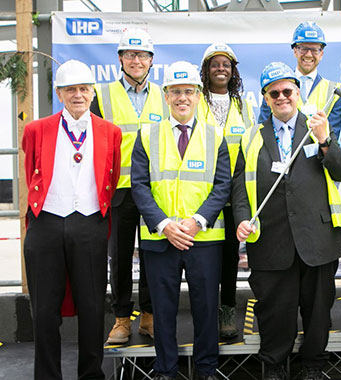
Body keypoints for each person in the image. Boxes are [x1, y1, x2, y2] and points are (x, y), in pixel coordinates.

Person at [233, 62, 341, 380]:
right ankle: (274, 365)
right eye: (274, 93)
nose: (281, 97)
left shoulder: (318, 128)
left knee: (317, 310)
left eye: (288, 91)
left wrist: (325, 141)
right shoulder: (252, 137)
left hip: (317, 239)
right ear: (265, 99)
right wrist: (243, 220)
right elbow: (241, 187)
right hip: (271, 239)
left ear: (298, 94)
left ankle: (313, 365)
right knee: (274, 310)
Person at [130, 61, 231, 380]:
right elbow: (139, 184)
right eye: (176, 91)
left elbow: (223, 184)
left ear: (199, 96)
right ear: (165, 95)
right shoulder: (147, 135)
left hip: (203, 239)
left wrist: (197, 221)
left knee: (205, 309)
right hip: (161, 239)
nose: (182, 97)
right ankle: (165, 370)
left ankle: (206, 369)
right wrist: (164, 224)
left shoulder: (215, 136)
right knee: (163, 311)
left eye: (188, 91)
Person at [22, 59, 122, 380]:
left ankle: (91, 374)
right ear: (59, 93)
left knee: (92, 307)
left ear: (92, 92)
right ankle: (47, 376)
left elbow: (113, 175)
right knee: (44, 312)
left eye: (83, 89)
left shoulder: (111, 132)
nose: (78, 95)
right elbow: (30, 173)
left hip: (90, 223)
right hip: (47, 222)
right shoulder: (36, 130)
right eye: (70, 90)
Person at [90, 28, 166, 344]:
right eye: (130, 55)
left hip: (154, 188)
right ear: (120, 58)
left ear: (151, 60)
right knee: (119, 256)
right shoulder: (102, 94)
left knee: (153, 253)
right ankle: (122, 319)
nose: (137, 60)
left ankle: (148, 316)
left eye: (143, 55)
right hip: (118, 188)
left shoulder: (166, 94)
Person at [198, 42, 255, 339]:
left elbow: (252, 148)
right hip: (202, 193)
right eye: (215, 64)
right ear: (206, 70)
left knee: (231, 255)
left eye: (226, 64)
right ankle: (205, 310)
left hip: (235, 192)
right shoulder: (194, 101)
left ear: (233, 71)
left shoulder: (244, 107)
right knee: (205, 254)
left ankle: (227, 308)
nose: (221, 69)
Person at [258, 21, 341, 138]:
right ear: (295, 51)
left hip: (318, 154)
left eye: (314, 50)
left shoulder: (334, 90)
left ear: (321, 53)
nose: (308, 55)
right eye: (303, 48)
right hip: (280, 153)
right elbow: (264, 129)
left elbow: (332, 136)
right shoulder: (275, 86)